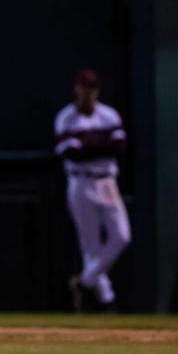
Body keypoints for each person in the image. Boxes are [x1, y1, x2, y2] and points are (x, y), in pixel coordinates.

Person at [55, 69, 131, 312]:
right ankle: (107, 301)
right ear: (77, 88)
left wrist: (89, 145)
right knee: (91, 247)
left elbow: (118, 147)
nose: (88, 92)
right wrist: (101, 145)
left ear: (97, 90)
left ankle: (85, 282)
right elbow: (71, 153)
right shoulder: (66, 117)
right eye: (84, 87)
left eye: (93, 87)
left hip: (107, 181)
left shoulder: (109, 114)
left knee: (122, 236)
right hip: (81, 181)